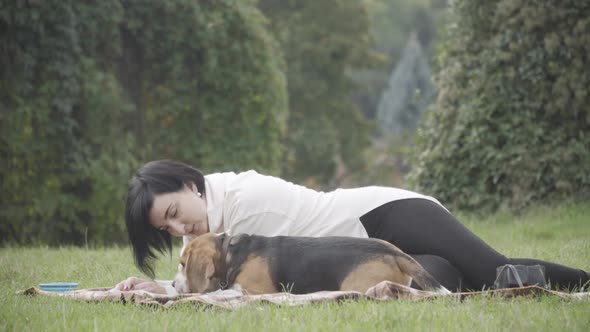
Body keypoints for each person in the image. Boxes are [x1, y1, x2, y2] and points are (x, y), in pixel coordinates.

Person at [114, 160, 589, 294]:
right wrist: (153, 285)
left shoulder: (241, 207)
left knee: (496, 272)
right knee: (443, 279)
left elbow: (227, 285)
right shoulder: (217, 222)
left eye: (175, 212)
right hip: (369, 254)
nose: (180, 228)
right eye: (168, 228)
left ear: (189, 184)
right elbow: (208, 276)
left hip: (389, 214)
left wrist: (163, 291)